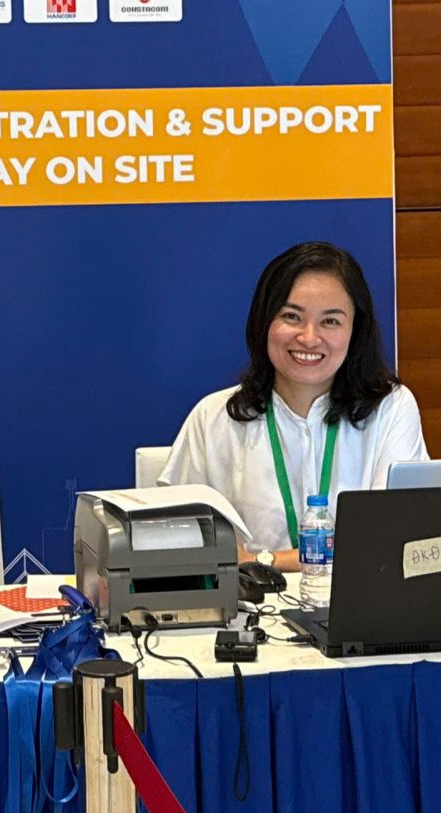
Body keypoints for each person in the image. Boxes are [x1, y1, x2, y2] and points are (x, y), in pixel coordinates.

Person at [159, 241, 426, 571]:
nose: (309, 338)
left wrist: (261, 560)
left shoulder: (391, 408)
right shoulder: (214, 417)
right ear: (264, 322)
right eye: (291, 317)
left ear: (355, 331)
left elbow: (393, 538)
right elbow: (179, 541)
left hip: (358, 598)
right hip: (249, 602)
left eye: (330, 321)